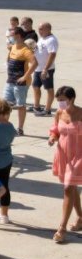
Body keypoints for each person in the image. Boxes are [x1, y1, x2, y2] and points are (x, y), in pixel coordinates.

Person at [48, 86, 82, 243]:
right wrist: (52, 137)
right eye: (58, 100)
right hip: (63, 155)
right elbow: (55, 129)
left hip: (79, 156)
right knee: (71, 187)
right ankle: (80, 217)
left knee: (68, 187)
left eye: (63, 100)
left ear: (71, 99)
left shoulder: (81, 113)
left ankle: (62, 228)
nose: (60, 103)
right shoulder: (59, 113)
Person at [5, 30, 38, 135]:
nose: (10, 37)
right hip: (10, 80)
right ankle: (4, 126)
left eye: (12, 35)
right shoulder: (14, 46)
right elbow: (8, 59)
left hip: (20, 83)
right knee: (6, 105)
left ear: (18, 36)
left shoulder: (25, 50)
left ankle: (20, 129)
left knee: (20, 105)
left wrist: (25, 76)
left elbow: (35, 63)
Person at [31, 22, 58, 116]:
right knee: (35, 86)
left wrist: (46, 69)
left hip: (46, 69)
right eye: (39, 29)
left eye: (42, 29)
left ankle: (47, 110)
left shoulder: (51, 40)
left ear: (48, 29)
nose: (40, 31)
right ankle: (36, 106)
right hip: (38, 68)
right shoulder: (42, 39)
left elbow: (52, 54)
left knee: (49, 88)